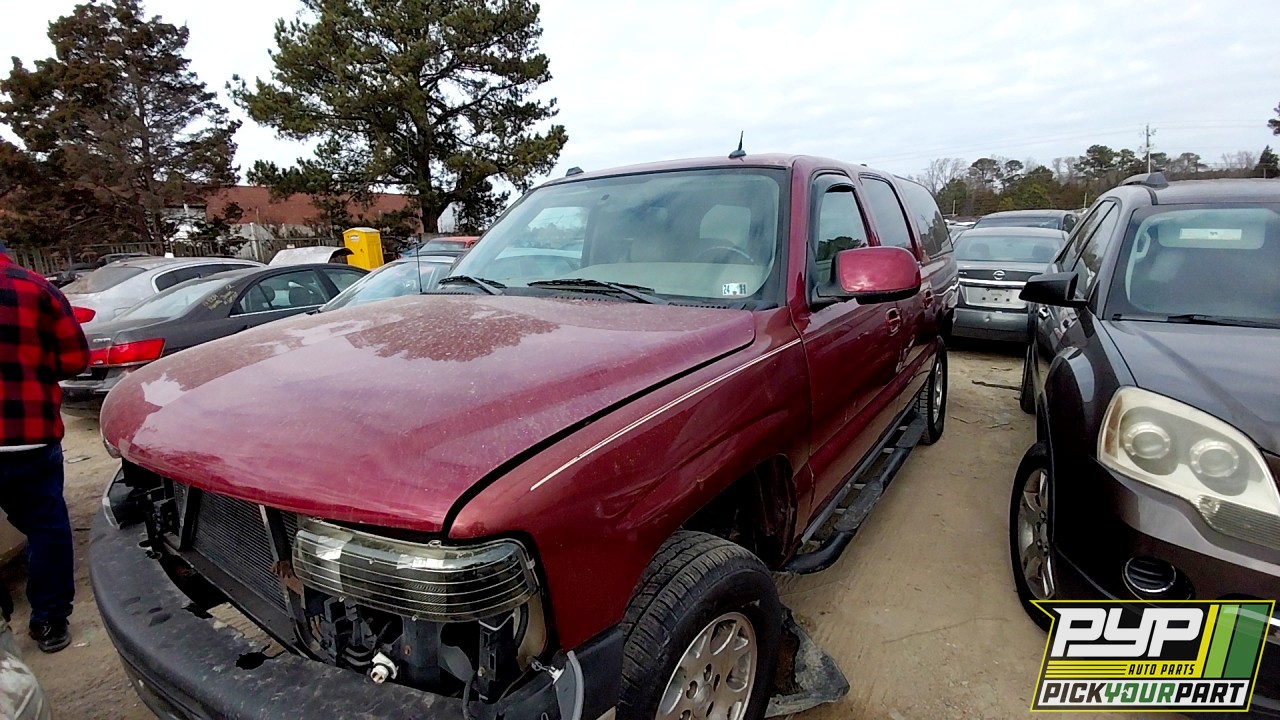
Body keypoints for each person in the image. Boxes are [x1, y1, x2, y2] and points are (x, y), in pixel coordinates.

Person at [0, 239, 89, 653]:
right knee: (46, 529)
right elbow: (74, 360)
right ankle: (50, 622)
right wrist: (31, 369)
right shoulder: (37, 288)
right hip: (28, 437)